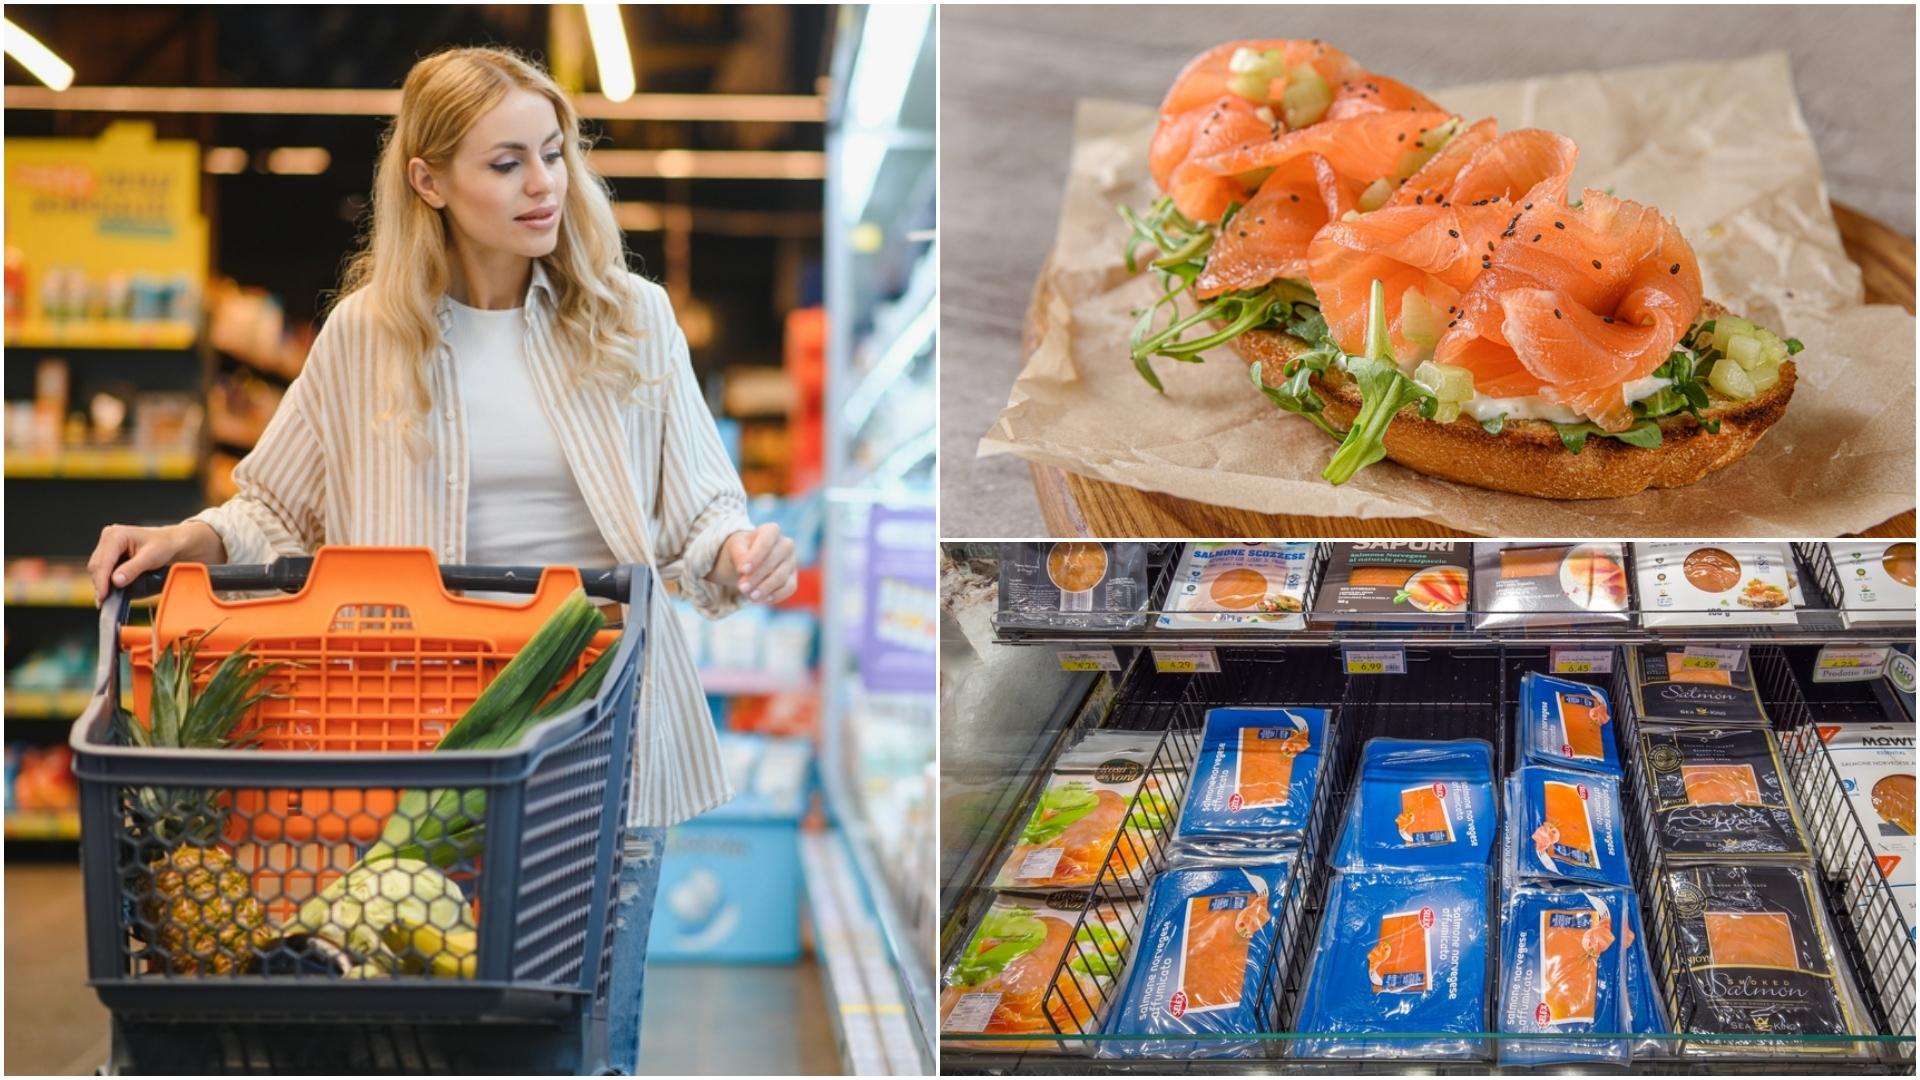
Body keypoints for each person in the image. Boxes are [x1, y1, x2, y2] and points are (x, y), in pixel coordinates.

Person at [85, 44, 793, 1073]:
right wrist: (189, 539)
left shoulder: (631, 319)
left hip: (599, 745)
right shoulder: (364, 335)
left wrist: (738, 550)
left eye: (554, 154)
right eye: (505, 163)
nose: (544, 184)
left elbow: (700, 511)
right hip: (403, 756)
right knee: (414, 1051)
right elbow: (276, 506)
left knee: (578, 1054)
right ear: (429, 180)